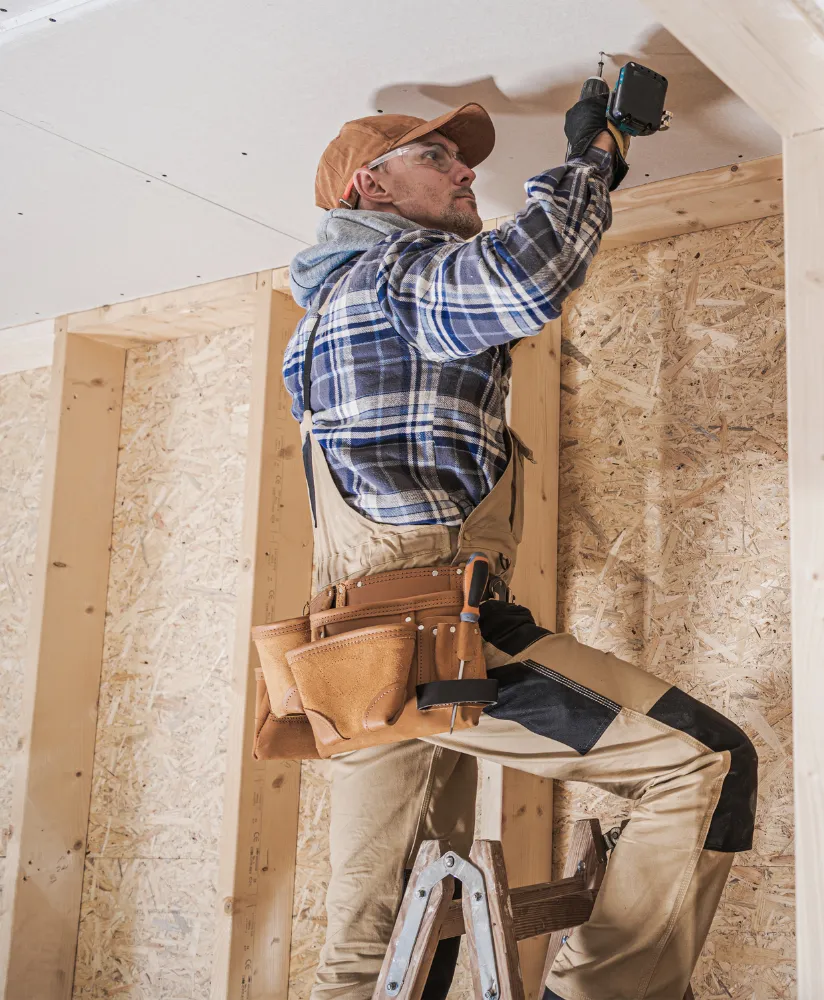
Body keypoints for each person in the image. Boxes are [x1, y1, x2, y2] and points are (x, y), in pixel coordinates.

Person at [283, 99, 758, 1000]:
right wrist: (595, 155)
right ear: (369, 186)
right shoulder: (390, 277)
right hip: (434, 632)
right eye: (436, 158)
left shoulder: (330, 315)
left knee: (381, 941)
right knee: (705, 762)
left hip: (358, 659)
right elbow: (524, 276)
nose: (466, 171)